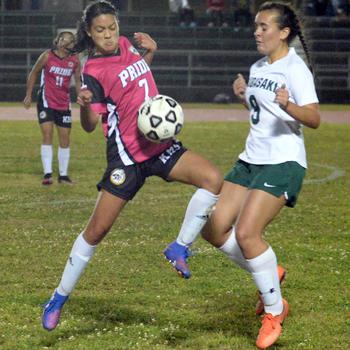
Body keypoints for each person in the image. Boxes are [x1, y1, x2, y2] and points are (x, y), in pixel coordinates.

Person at [41, 0, 222, 331]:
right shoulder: (93, 72)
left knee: (212, 179)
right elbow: (90, 125)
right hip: (128, 158)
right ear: (89, 33)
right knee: (96, 231)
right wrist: (82, 104)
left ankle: (179, 247)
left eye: (112, 28)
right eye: (100, 31)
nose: (109, 35)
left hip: (160, 147)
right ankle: (58, 296)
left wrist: (149, 55)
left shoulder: (127, 46)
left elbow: (134, 85)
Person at [166, 1, 320, 348]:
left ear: (284, 33)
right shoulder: (258, 66)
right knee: (214, 228)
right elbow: (261, 113)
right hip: (250, 160)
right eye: (256, 26)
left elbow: (313, 118)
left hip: (283, 162)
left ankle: (274, 310)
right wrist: (242, 97)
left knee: (249, 234)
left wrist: (289, 105)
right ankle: (268, 273)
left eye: (264, 26)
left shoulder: (295, 69)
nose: (257, 32)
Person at [23, 31, 81, 185]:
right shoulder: (47, 56)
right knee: (47, 134)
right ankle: (47, 174)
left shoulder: (74, 60)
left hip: (64, 102)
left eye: (70, 40)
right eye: (65, 39)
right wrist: (28, 95)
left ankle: (63, 175)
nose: (67, 42)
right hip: (46, 100)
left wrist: (80, 95)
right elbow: (34, 73)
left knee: (65, 138)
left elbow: (78, 80)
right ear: (59, 41)